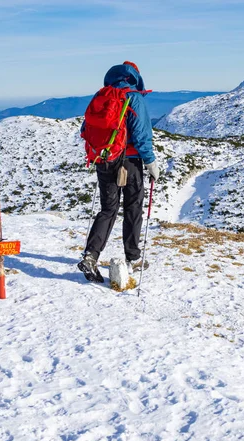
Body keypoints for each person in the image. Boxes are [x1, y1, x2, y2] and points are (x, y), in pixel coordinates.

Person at [78, 61, 159, 283]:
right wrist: (151, 163)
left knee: (108, 209)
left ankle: (91, 256)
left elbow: (85, 130)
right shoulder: (134, 97)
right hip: (129, 162)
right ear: (134, 77)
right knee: (133, 207)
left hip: (103, 158)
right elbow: (142, 134)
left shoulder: (101, 96)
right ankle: (132, 257)